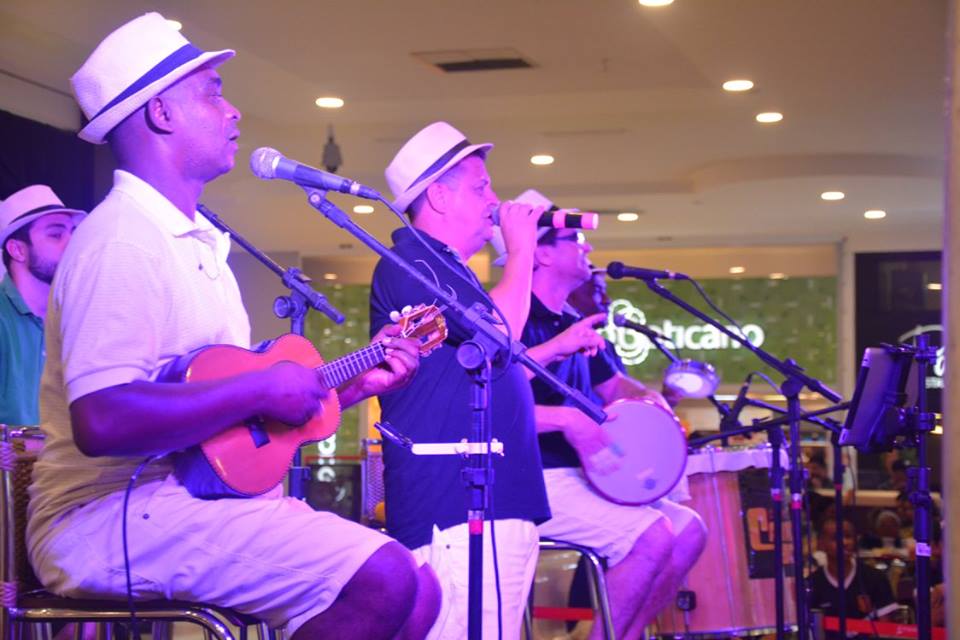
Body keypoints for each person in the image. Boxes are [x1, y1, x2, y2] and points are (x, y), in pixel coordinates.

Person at [26, 13, 438, 639]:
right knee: (384, 577)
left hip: (184, 499)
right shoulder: (121, 240)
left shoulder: (194, 245)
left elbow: (230, 428)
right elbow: (101, 419)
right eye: (213, 90)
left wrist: (346, 387)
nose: (234, 110)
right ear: (162, 113)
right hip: (105, 515)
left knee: (419, 590)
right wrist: (259, 389)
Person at [370, 122, 599, 639]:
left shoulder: (452, 268)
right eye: (481, 188)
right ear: (439, 195)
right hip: (457, 504)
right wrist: (520, 252)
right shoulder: (412, 261)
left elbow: (493, 352)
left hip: (491, 498)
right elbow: (502, 335)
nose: (495, 200)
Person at [518, 190, 706, 640]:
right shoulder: (513, 316)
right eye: (575, 239)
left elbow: (612, 385)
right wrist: (565, 420)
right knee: (652, 535)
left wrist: (649, 397)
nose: (588, 248)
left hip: (584, 474)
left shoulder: (572, 319)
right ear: (540, 252)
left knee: (688, 529)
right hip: (535, 479)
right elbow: (491, 403)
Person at [0, 185, 84, 426]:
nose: (73, 244)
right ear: (17, 249)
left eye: (73, 233)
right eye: (56, 234)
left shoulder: (79, 316)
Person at [809, 517, 898, 638]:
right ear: (821, 543)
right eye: (836, 538)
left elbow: (886, 630)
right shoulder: (813, 583)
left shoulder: (875, 578)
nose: (844, 542)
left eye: (848, 537)